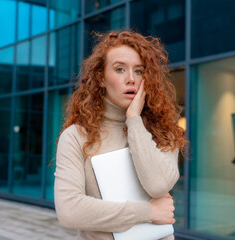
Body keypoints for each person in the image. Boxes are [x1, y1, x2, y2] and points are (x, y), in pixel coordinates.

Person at [54, 30, 187, 240]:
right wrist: (148, 212)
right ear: (101, 79)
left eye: (139, 71)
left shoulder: (164, 131)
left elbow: (158, 185)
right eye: (119, 69)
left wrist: (134, 120)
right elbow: (69, 210)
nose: (131, 79)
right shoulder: (77, 136)